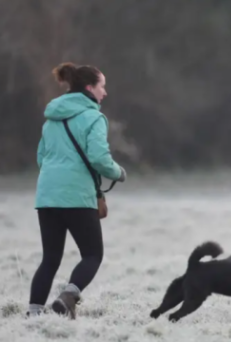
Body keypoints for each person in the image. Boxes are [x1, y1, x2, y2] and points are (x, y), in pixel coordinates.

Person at [28, 62, 126, 318]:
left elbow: (42, 157)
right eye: (102, 86)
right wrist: (118, 172)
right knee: (93, 254)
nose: (105, 93)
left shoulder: (51, 119)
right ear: (89, 87)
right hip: (76, 196)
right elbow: (98, 157)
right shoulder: (94, 117)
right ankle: (67, 297)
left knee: (50, 258)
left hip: (47, 196)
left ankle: (34, 313)